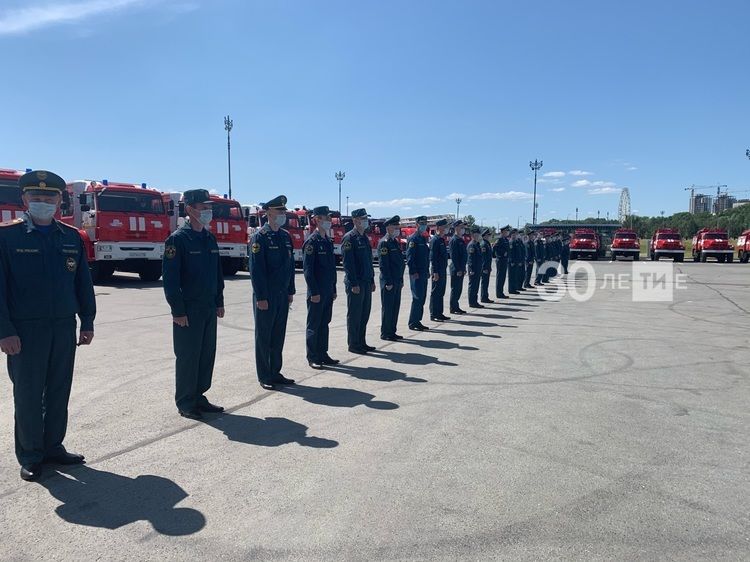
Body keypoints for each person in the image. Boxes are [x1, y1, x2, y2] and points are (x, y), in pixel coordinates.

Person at [0, 170, 96, 482]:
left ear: (59, 200)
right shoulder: (7, 237)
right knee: (28, 394)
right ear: (24, 199)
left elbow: (83, 283)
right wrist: (5, 330)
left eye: (50, 197)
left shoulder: (70, 237)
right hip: (25, 332)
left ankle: (53, 445)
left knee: (58, 390)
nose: (44, 202)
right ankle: (30, 454)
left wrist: (88, 321)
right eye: (37, 197)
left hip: (63, 328)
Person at [163, 189, 226, 420]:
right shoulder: (178, 240)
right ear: (190, 209)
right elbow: (170, 281)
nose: (208, 211)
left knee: (206, 354)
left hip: (208, 306)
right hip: (188, 310)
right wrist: (177, 310)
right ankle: (186, 401)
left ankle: (199, 395)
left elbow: (217, 274)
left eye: (209, 207)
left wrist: (219, 301)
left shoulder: (209, 238)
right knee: (189, 356)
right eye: (203, 207)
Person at [249, 195, 296, 390]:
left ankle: (275, 371)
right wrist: (261, 297)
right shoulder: (259, 237)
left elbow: (290, 266)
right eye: (279, 211)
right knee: (264, 336)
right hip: (266, 296)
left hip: (282, 294)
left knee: (278, 335)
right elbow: (256, 270)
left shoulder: (285, 237)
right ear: (268, 213)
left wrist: (290, 290)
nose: (283, 214)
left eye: (284, 211)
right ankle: (264, 375)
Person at [302, 206, 339, 369]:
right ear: (316, 220)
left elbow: (332, 268)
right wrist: (314, 291)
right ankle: (313, 356)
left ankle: (323, 353)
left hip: (327, 290)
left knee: (325, 323)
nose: (328, 221)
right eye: (325, 218)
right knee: (314, 325)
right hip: (317, 292)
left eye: (329, 218)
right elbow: (308, 271)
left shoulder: (327, 241)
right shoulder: (312, 242)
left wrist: (334, 288)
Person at [342, 209, 376, 354]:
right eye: (362, 218)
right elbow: (348, 264)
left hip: (366, 282)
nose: (365, 221)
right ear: (355, 220)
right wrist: (353, 283)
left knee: (364, 314)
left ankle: (361, 342)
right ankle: (353, 344)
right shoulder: (350, 238)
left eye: (365, 218)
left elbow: (369, 261)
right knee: (355, 314)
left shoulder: (364, 238)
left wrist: (372, 280)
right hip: (356, 283)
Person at [378, 216, 405, 341]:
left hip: (397, 280)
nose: (397, 229)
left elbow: (399, 263)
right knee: (388, 308)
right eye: (395, 227)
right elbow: (384, 265)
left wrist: (401, 279)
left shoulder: (394, 241)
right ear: (388, 227)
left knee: (395, 307)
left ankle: (392, 331)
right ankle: (385, 332)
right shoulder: (384, 242)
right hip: (389, 281)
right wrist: (388, 281)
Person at [406, 216, 430, 331]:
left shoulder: (422, 238)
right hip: (416, 274)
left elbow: (425, 257)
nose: (424, 225)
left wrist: (427, 271)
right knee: (417, 297)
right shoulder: (413, 239)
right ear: (416, 225)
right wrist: (413, 271)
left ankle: (418, 320)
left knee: (422, 297)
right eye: (422, 223)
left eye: (425, 223)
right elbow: (410, 257)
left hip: (423, 272)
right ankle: (413, 322)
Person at [429, 219, 450, 322]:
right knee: (435, 292)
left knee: (441, 292)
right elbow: (433, 257)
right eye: (444, 226)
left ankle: (439, 313)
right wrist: (435, 272)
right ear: (438, 228)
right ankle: (433, 314)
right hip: (437, 270)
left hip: (442, 269)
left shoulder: (442, 239)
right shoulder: (435, 240)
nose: (446, 228)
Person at [448, 220, 468, 314]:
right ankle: (453, 308)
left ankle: (456, 306)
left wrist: (463, 268)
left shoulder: (461, 239)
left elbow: (464, 256)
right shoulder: (454, 240)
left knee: (459, 289)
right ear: (456, 228)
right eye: (461, 227)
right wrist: (459, 269)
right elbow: (454, 256)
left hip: (461, 268)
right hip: (456, 268)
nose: (463, 229)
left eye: (463, 227)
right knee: (455, 289)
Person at [466, 226, 484, 308]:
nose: (479, 236)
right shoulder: (472, 245)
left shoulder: (477, 244)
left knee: (476, 285)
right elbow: (470, 259)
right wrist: (471, 269)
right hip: (473, 269)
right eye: (477, 234)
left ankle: (475, 301)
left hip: (478, 268)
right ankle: (472, 302)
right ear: (473, 235)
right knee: (473, 286)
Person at [492, 225, 510, 299]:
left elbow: (508, 249)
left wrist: (507, 253)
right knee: (500, 277)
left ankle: (501, 292)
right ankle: (499, 293)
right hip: (500, 260)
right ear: (502, 232)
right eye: (506, 231)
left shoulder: (505, 239)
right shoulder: (499, 239)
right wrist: (501, 254)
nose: (507, 232)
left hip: (505, 260)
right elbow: (495, 248)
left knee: (503, 277)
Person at [480, 228, 493, 303]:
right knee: (484, 282)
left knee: (486, 282)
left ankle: (485, 296)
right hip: (484, 267)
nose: (490, 236)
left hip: (487, 266)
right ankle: (483, 297)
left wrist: (489, 267)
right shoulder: (483, 244)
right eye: (488, 235)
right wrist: (484, 267)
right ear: (484, 235)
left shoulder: (487, 243)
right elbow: (484, 258)